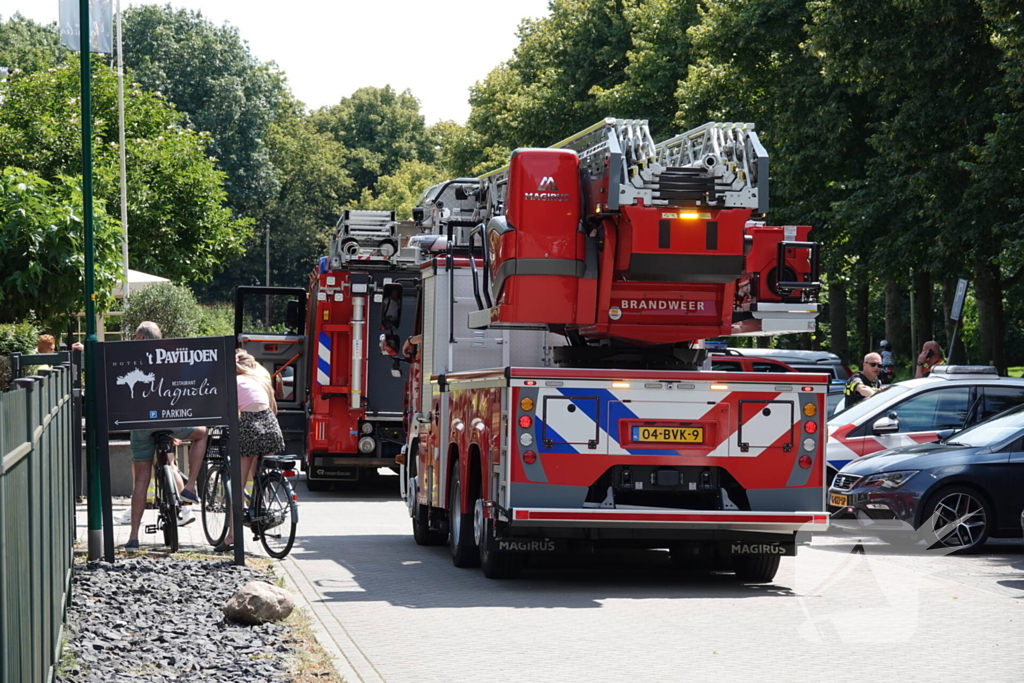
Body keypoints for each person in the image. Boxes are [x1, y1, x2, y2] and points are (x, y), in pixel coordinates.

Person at [123, 321, 209, 549]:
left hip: (141, 423)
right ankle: (190, 487)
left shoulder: (129, 358)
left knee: (141, 481)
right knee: (202, 433)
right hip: (170, 420)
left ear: (141, 338)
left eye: (135, 336)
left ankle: (133, 537)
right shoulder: (171, 356)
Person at [215, 349, 286, 552]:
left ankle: (231, 536)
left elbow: (226, 413)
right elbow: (274, 411)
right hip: (271, 427)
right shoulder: (261, 381)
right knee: (259, 474)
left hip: (249, 426)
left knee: (238, 483)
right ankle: (261, 509)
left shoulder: (234, 383)